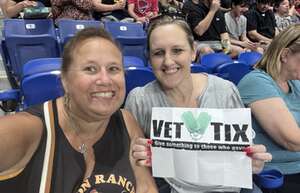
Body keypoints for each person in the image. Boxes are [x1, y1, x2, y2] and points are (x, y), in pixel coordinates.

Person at [125, 15, 272, 193]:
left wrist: (252, 161)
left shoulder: (224, 91)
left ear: (193, 52)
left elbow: (244, 154)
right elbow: (133, 170)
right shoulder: (139, 99)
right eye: (158, 53)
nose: (168, 61)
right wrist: (137, 157)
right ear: (149, 58)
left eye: (177, 50)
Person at [0, 27, 157, 193]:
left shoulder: (126, 120)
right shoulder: (27, 129)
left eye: (113, 69)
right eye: (90, 69)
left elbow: (147, 188)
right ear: (65, 81)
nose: (105, 80)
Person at [238, 24, 300, 193]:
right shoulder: (256, 82)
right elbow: (293, 141)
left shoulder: (295, 82)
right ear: (286, 55)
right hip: (277, 175)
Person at [51, 0, 125, 22]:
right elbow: (91, 5)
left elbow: (89, 5)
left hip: (87, 20)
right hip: (66, 19)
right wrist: (115, 6)